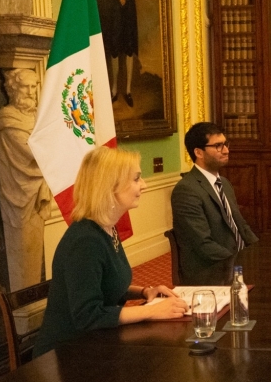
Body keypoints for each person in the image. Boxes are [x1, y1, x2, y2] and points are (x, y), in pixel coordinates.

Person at [33, 147, 187, 357]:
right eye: (136, 179)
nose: (144, 185)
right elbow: (88, 315)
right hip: (68, 354)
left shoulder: (107, 229)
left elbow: (104, 284)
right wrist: (151, 311)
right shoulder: (85, 241)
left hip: (97, 342)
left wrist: (144, 292)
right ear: (109, 186)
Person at [171, 122, 258, 285]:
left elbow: (241, 226)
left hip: (235, 262)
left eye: (225, 144)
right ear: (198, 152)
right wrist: (241, 263)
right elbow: (204, 245)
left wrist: (260, 252)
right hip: (212, 272)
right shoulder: (186, 190)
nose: (226, 150)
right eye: (218, 146)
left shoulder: (224, 183)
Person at [0, 69, 52, 291]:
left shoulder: (36, 116)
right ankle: (22, 309)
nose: (30, 91)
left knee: (33, 249)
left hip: (36, 192)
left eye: (33, 86)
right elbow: (34, 153)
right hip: (17, 195)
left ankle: (31, 305)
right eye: (25, 87)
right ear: (12, 90)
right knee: (22, 253)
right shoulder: (6, 119)